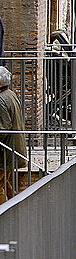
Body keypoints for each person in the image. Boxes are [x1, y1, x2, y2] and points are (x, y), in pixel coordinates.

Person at [0, 65, 27, 199]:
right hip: (13, 148)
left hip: (6, 150)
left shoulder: (1, 99)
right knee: (4, 181)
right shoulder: (10, 94)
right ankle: (14, 203)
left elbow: (3, 129)